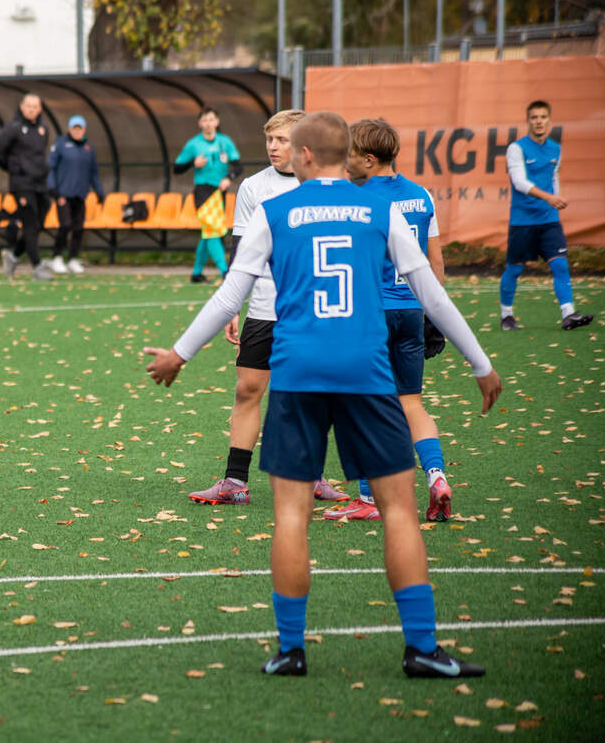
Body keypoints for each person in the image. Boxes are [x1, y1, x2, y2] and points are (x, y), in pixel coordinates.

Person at [144, 111, 500, 679]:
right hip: (367, 374)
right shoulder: (380, 209)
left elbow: (230, 294)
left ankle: (291, 650)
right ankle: (422, 649)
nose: (284, 154)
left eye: (291, 148)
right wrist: (480, 362)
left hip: (298, 372)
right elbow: (430, 294)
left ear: (306, 155)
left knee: (291, 515)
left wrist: (179, 354)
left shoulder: (275, 211)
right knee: (399, 512)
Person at [189, 110, 348, 507]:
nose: (273, 147)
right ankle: (234, 482)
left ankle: (312, 475)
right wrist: (232, 306)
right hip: (263, 307)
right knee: (247, 390)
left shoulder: (323, 185)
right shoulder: (253, 187)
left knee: (310, 394)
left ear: (304, 144)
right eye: (270, 140)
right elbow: (241, 249)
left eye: (282, 140)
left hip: (309, 310)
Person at [329, 118, 454, 522]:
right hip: (412, 312)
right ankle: (436, 476)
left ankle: (369, 499)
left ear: (369, 159)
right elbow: (435, 263)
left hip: (371, 314)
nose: (345, 162)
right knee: (412, 403)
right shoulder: (421, 195)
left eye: (350, 154)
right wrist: (432, 315)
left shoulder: (356, 198)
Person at [499, 100, 593, 331]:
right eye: (534, 117)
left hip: (549, 220)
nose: (538, 121)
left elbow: (553, 177)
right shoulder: (516, 148)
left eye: (542, 117)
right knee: (514, 269)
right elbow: (519, 182)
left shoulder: (555, 149)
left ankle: (568, 314)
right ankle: (506, 315)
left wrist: (556, 199)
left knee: (560, 265)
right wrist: (549, 197)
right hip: (522, 221)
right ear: (528, 121)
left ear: (549, 120)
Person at [173, 108, 240, 282]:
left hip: (220, 192)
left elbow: (238, 166)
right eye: (204, 120)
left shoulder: (225, 142)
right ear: (200, 123)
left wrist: (229, 178)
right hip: (203, 191)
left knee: (208, 233)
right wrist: (192, 163)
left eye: (211, 119)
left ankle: (196, 273)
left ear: (217, 121)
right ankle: (225, 271)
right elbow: (176, 168)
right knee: (212, 230)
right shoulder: (193, 144)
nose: (208, 123)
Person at [0, 93, 53, 281]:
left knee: (39, 222)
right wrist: (15, 170)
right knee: (29, 223)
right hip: (22, 184)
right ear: (22, 107)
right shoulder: (13, 129)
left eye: (35, 107)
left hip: (39, 184)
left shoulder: (43, 129)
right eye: (28, 106)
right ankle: (37, 267)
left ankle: (13, 255)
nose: (31, 110)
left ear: (40, 109)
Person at [47, 114, 104, 275]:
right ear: (70, 129)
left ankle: (72, 258)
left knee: (78, 228)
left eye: (80, 128)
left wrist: (99, 191)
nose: (77, 131)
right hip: (63, 195)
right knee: (65, 225)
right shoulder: (61, 144)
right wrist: (54, 190)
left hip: (80, 194)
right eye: (74, 128)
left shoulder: (88, 148)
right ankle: (57, 257)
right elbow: (50, 168)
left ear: (84, 129)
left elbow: (93, 173)